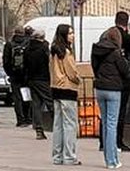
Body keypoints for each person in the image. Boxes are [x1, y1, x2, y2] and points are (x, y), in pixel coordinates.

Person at [92, 27, 130, 169]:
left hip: (100, 88)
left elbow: (94, 68)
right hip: (114, 90)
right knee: (111, 124)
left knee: (105, 122)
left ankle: (107, 157)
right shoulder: (116, 53)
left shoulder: (96, 50)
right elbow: (126, 72)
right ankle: (112, 160)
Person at [50, 24, 82, 166]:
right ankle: (69, 156)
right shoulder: (66, 52)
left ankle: (57, 156)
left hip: (56, 87)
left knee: (58, 125)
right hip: (68, 88)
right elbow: (72, 72)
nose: (72, 36)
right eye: (70, 33)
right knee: (70, 125)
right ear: (64, 35)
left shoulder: (54, 51)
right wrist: (78, 80)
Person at [112, 12, 130, 151]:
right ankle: (119, 141)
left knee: (108, 113)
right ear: (126, 23)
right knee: (121, 111)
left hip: (107, 79)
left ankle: (104, 142)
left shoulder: (107, 36)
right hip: (122, 80)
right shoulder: (126, 38)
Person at [25, 27, 53, 141]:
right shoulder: (44, 49)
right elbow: (49, 63)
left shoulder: (27, 49)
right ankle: (57, 123)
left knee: (36, 104)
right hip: (43, 79)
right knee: (50, 101)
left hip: (32, 79)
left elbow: (25, 65)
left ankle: (39, 130)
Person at [4, 26, 33, 128]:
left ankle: (20, 120)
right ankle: (28, 118)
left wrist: (9, 73)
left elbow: (6, 61)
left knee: (17, 98)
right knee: (27, 96)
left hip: (14, 75)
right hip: (26, 75)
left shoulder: (9, 44)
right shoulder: (28, 43)